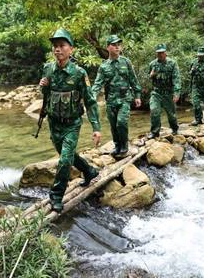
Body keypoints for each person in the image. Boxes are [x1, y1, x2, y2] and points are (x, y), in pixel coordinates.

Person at [38, 28, 102, 213]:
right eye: (55, 46)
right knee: (69, 156)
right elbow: (46, 94)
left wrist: (96, 128)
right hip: (54, 123)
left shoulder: (79, 73)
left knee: (65, 160)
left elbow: (90, 102)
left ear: (71, 49)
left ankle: (56, 196)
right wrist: (41, 87)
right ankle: (90, 172)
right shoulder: (48, 69)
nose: (57, 49)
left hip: (72, 125)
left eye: (62, 45)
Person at [92, 34, 142, 156]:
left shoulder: (126, 62)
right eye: (114, 45)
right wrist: (92, 96)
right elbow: (98, 83)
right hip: (111, 100)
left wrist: (138, 95)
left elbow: (133, 79)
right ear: (108, 47)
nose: (117, 47)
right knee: (113, 125)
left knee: (121, 122)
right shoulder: (104, 66)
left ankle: (124, 144)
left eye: (118, 45)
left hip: (124, 98)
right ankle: (117, 145)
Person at [147, 43, 181, 139]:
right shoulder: (152, 64)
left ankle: (174, 129)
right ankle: (155, 132)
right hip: (156, 93)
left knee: (171, 115)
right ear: (156, 54)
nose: (161, 55)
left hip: (168, 93)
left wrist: (176, 93)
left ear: (166, 52)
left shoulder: (172, 63)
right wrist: (151, 75)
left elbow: (176, 79)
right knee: (154, 111)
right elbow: (147, 77)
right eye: (158, 53)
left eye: (162, 52)